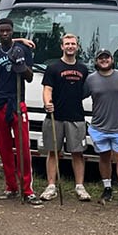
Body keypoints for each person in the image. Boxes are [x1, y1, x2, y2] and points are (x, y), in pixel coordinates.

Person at [0, 18, 41, 205]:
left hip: (18, 102)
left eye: (8, 30)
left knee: (24, 147)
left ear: (12, 30)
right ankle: (11, 186)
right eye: (2, 31)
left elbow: (30, 77)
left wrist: (20, 64)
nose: (5, 33)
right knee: (4, 148)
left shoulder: (24, 50)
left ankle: (27, 189)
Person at [39, 34, 91, 202]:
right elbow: (47, 89)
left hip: (76, 116)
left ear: (77, 47)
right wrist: (47, 103)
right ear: (62, 46)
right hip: (55, 117)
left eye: (73, 44)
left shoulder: (83, 69)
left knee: (78, 153)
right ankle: (51, 186)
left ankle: (80, 186)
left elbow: (87, 91)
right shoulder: (53, 68)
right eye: (67, 43)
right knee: (53, 152)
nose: (70, 46)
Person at [84, 48, 118, 207]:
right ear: (96, 61)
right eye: (101, 58)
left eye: (107, 57)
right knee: (104, 157)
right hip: (99, 126)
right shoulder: (91, 79)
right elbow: (79, 94)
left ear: (112, 59)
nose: (104, 60)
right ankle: (107, 187)